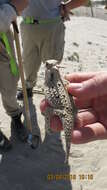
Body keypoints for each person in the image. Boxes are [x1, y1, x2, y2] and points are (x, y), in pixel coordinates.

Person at [17, 0, 87, 100]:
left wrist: (67, 6)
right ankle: (28, 87)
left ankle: (53, 91)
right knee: (29, 62)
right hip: (27, 26)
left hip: (51, 26)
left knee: (52, 65)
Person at [40, 72, 107, 144]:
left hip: (65, 109)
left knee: (48, 111)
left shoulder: (56, 82)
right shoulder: (56, 82)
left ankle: (48, 127)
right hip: (67, 109)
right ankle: (49, 127)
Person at [0, 0, 28, 151]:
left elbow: (22, 3)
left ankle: (15, 117)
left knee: (10, 87)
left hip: (3, 42)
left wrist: (12, 7)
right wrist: (9, 10)